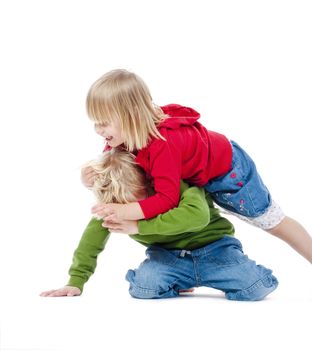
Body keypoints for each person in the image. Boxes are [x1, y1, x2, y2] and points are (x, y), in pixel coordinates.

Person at [84, 69, 312, 265]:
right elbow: (117, 174)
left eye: (103, 123)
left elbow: (167, 199)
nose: (98, 130)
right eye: (95, 122)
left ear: (131, 117)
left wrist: (125, 211)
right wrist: (91, 179)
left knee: (271, 222)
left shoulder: (164, 144)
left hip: (229, 173)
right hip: (195, 173)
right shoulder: (121, 138)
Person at [40, 148, 278, 300]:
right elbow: (90, 243)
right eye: (122, 206)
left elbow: (197, 217)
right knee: (143, 288)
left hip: (215, 249)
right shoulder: (112, 207)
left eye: (137, 200)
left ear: (148, 181)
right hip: (168, 258)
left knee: (255, 288)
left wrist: (139, 226)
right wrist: (76, 281)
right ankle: (181, 281)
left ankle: (238, 272)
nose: (131, 210)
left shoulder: (177, 184)